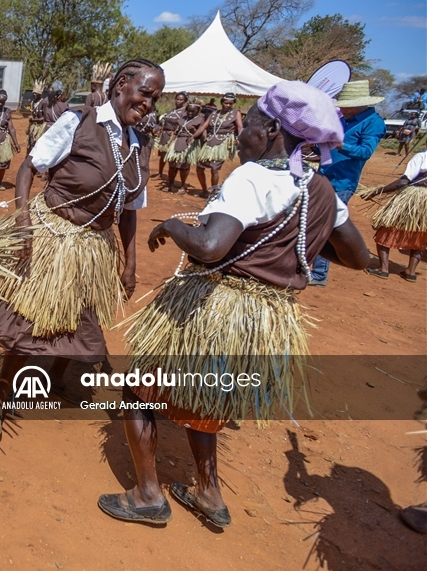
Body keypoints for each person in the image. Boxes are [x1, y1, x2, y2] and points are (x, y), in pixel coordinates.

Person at [100, 80, 370, 526]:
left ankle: (148, 494)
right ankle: (208, 493)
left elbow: (209, 245)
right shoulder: (321, 189)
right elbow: (357, 257)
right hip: (263, 322)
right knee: (208, 400)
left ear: (271, 132)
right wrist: (301, 242)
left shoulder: (253, 176)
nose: (241, 132)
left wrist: (170, 224)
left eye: (252, 122)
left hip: (219, 308)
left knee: (139, 394)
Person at [0, 59, 165, 438]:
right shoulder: (78, 121)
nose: (149, 104)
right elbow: (29, 169)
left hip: (94, 247)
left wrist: (129, 264)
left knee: (78, 319)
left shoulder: (139, 144)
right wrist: (23, 220)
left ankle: (57, 378)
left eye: (155, 98)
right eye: (145, 93)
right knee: (28, 322)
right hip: (55, 236)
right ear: (121, 84)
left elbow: (129, 210)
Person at [309, 80, 385, 286]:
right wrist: (315, 145)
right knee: (313, 223)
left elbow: (365, 152)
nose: (342, 109)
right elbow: (327, 147)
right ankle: (309, 266)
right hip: (324, 176)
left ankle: (318, 275)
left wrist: (341, 145)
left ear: (361, 104)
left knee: (327, 228)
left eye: (346, 106)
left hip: (342, 182)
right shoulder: (344, 119)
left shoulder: (374, 122)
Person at [363, 150, 426, 281]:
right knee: (420, 233)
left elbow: (403, 182)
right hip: (424, 204)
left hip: (413, 199)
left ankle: (383, 269)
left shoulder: (421, 156)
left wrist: (377, 191)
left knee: (387, 230)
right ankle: (411, 272)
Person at [192, 93, 243, 197]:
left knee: (214, 168)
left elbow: (240, 127)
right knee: (200, 167)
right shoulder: (214, 113)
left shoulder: (235, 113)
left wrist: (240, 138)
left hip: (222, 143)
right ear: (221, 102)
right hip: (209, 143)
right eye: (226, 103)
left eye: (230, 103)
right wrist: (193, 137)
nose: (228, 105)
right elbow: (203, 127)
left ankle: (214, 192)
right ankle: (204, 191)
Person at [163, 102, 202, 194]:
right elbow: (177, 129)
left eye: (193, 111)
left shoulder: (200, 120)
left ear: (197, 111)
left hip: (188, 144)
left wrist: (195, 132)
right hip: (177, 141)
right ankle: (170, 184)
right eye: (189, 111)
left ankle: (183, 186)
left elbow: (202, 135)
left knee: (183, 167)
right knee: (172, 165)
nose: (190, 113)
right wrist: (173, 134)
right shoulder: (182, 118)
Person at [155, 93, 188, 179]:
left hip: (173, 137)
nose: (178, 101)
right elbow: (165, 122)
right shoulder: (171, 111)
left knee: (170, 158)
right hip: (165, 136)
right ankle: (160, 174)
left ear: (185, 101)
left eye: (181, 100)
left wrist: (175, 132)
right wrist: (161, 130)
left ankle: (171, 179)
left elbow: (183, 124)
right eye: (177, 99)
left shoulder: (184, 112)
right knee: (162, 156)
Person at [25, 81, 46, 155]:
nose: (34, 94)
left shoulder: (43, 103)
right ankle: (28, 159)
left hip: (40, 128)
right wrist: (28, 128)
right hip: (33, 127)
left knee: (38, 145)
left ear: (40, 94)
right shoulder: (33, 103)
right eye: (33, 93)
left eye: (36, 93)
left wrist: (34, 120)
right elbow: (31, 118)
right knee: (30, 145)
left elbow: (44, 118)